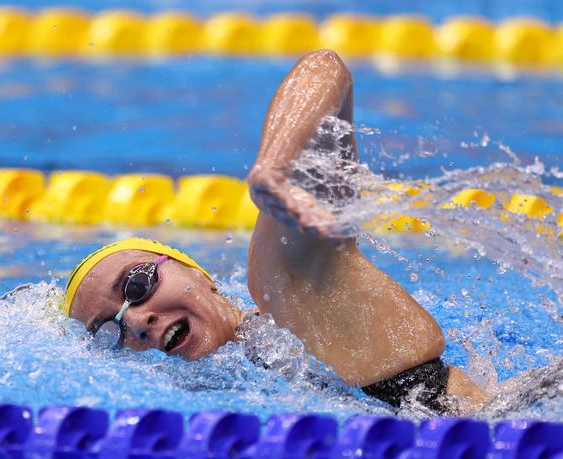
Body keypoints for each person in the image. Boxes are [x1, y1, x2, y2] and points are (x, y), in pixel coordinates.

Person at [64, 49, 487, 414]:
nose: (137, 322)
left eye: (137, 285)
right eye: (109, 332)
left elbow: (324, 68)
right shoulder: (235, 387)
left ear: (196, 272)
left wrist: (274, 169)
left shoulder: (288, 291)